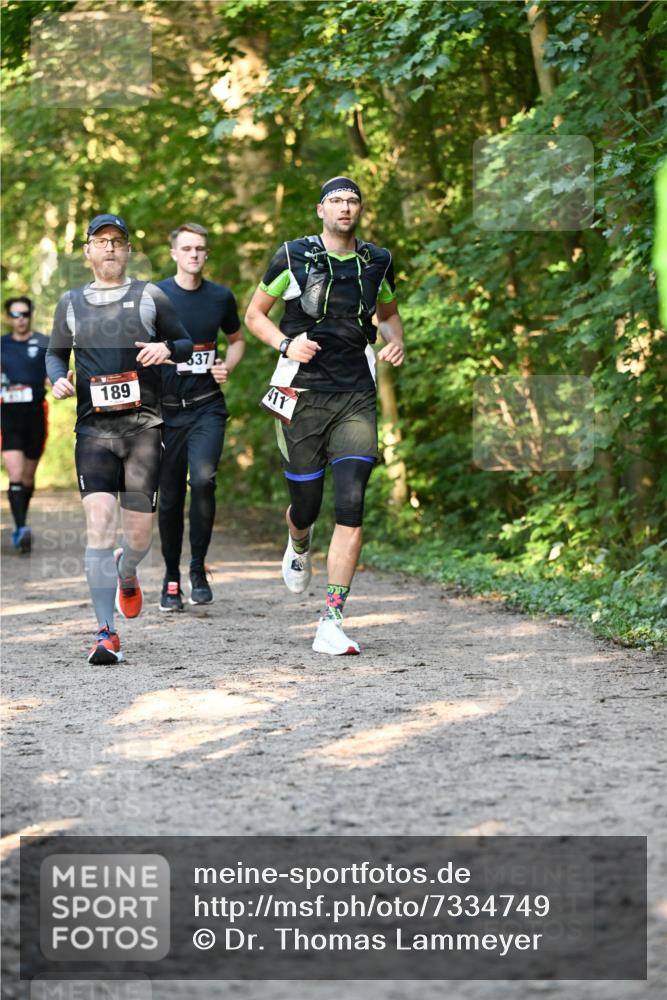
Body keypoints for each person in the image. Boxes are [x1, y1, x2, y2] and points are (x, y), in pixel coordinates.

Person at [245, 176, 405, 655]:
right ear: (321, 209)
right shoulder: (292, 256)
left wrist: (396, 341)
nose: (345, 208)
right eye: (336, 200)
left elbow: (388, 314)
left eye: (353, 201)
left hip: (355, 392)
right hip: (300, 393)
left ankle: (332, 620)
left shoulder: (377, 260)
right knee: (307, 506)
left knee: (352, 504)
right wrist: (285, 343)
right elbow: (254, 315)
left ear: (360, 209)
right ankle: (299, 541)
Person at [46, 214, 192, 665]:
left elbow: (185, 343)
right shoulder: (70, 303)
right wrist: (58, 379)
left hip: (144, 429)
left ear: (128, 250)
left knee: (139, 537)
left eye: (117, 241)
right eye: (101, 240)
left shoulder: (150, 296)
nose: (110, 247)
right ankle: (105, 632)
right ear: (87, 251)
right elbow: (55, 354)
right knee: (99, 525)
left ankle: (126, 572)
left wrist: (166, 348)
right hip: (93, 432)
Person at [156, 222, 244, 611]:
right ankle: (170, 577)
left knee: (204, 481)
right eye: (187, 248)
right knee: (170, 498)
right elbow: (135, 346)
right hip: (166, 412)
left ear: (207, 254)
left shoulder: (220, 297)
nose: (194, 254)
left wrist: (228, 366)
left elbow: (236, 341)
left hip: (207, 405)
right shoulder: (155, 296)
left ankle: (197, 569)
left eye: (200, 249)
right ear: (174, 253)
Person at [1, 296, 50, 553]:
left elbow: (53, 373)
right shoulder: (1, 344)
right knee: (16, 474)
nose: (20, 319)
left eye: (25, 314)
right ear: (8, 317)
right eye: (15, 315)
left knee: (28, 477)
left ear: (31, 315)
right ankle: (20, 529)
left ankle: (22, 519)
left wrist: (59, 381)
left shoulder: (44, 342)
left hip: (35, 414)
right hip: (8, 415)